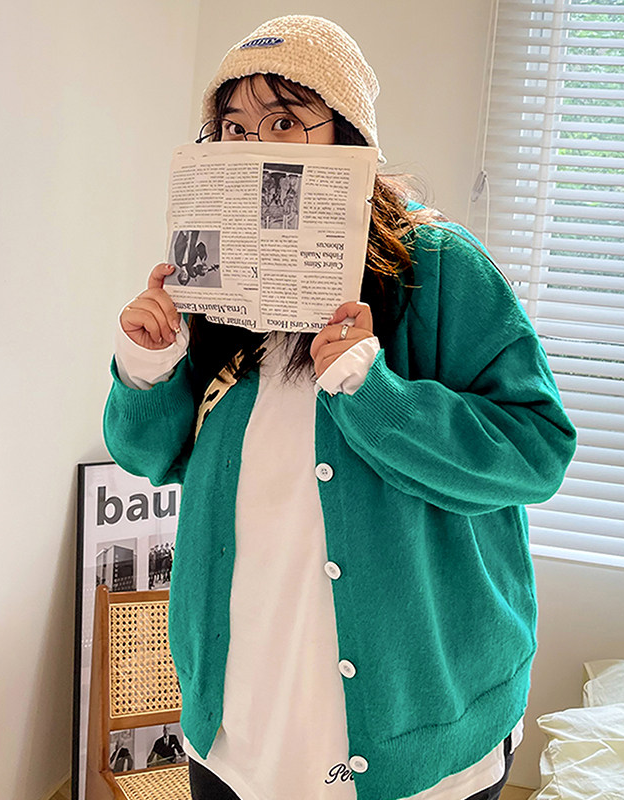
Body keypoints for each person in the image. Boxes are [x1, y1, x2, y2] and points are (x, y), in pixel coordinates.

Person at [103, 14, 576, 800]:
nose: (254, 146)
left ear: (348, 136)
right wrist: (148, 364)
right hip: (240, 726)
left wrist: (374, 391)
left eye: (285, 121)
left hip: (417, 728)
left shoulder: (438, 267)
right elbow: (152, 455)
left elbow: (536, 451)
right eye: (233, 127)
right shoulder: (214, 276)